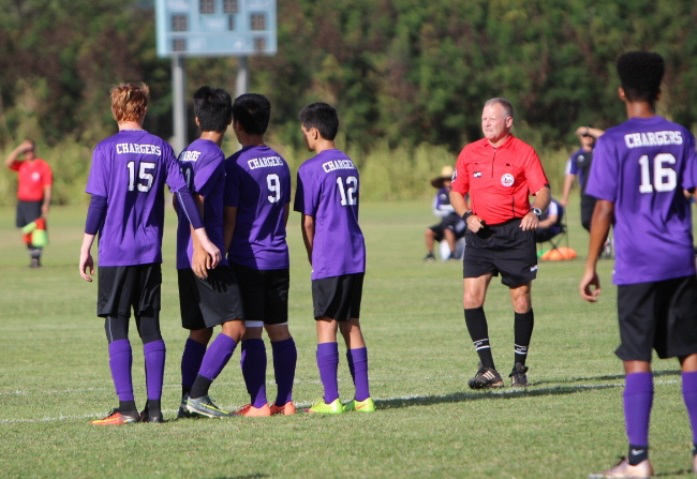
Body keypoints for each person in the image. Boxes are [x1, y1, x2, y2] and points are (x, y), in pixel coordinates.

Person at [580, 51, 697, 478]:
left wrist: (590, 265)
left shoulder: (612, 141)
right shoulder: (680, 135)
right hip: (681, 259)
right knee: (691, 353)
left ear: (621, 92)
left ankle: (638, 460)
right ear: (660, 90)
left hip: (637, 265)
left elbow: (603, 209)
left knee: (636, 356)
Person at [79, 82, 221, 426]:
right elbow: (183, 193)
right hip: (148, 252)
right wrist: (203, 237)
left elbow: (99, 202)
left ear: (116, 110)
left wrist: (85, 247)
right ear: (143, 109)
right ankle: (154, 409)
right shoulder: (160, 147)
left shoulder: (105, 149)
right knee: (150, 327)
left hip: (115, 252)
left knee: (116, 326)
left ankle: (127, 409)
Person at [450, 97, 550, 389]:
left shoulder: (524, 152)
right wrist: (466, 215)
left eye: (492, 118)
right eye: (484, 118)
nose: (487, 123)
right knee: (471, 298)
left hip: (515, 233)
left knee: (521, 300)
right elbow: (456, 191)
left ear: (508, 121)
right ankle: (487, 369)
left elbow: (542, 190)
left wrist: (535, 212)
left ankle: (519, 367)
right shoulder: (469, 152)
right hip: (480, 234)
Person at [293, 102, 374, 414]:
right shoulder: (349, 163)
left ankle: (331, 400)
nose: (304, 137)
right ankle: (364, 398)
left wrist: (313, 256)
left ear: (314, 132)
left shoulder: (309, 169)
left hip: (329, 255)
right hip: (355, 252)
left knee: (325, 324)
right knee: (351, 324)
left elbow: (308, 223)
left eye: (304, 132)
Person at [223, 93, 298, 417]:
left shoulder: (235, 166)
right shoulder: (281, 162)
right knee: (279, 329)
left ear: (237, 125)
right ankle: (286, 401)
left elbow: (229, 219)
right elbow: (283, 213)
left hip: (248, 259)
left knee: (252, 331)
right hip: (278, 256)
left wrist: (222, 257)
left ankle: (259, 404)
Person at [175, 86, 246, 419]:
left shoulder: (187, 152)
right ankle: (199, 394)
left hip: (183, 254)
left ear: (197, 119)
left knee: (200, 331)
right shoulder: (214, 155)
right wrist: (201, 246)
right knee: (235, 327)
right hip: (205, 254)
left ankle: (186, 400)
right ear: (229, 120)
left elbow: (178, 200)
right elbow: (197, 199)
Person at [5, 139, 52, 268]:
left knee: (37, 231)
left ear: (35, 150)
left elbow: (48, 186)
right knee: (26, 231)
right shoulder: (22, 165)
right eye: (25, 151)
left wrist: (46, 203)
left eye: (30, 150)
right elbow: (8, 162)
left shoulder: (43, 166)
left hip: (36, 203)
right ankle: (32, 257)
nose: (28, 153)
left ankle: (36, 258)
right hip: (23, 203)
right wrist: (19, 148)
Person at [561, 125, 605, 232]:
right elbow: (570, 176)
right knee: (585, 221)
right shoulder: (576, 156)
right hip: (586, 192)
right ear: (580, 138)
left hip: (602, 192)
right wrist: (565, 197)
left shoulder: (600, 150)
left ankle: (603, 238)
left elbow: (606, 136)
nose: (587, 138)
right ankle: (603, 239)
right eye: (584, 136)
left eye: (589, 135)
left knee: (605, 218)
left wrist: (588, 130)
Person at [424, 165, 466, 261]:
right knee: (429, 231)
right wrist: (449, 208)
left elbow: (463, 206)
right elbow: (436, 209)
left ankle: (452, 254)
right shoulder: (440, 193)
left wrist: (449, 208)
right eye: (446, 180)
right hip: (445, 221)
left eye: (449, 179)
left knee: (448, 230)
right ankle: (430, 254)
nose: (448, 182)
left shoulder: (460, 191)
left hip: (459, 221)